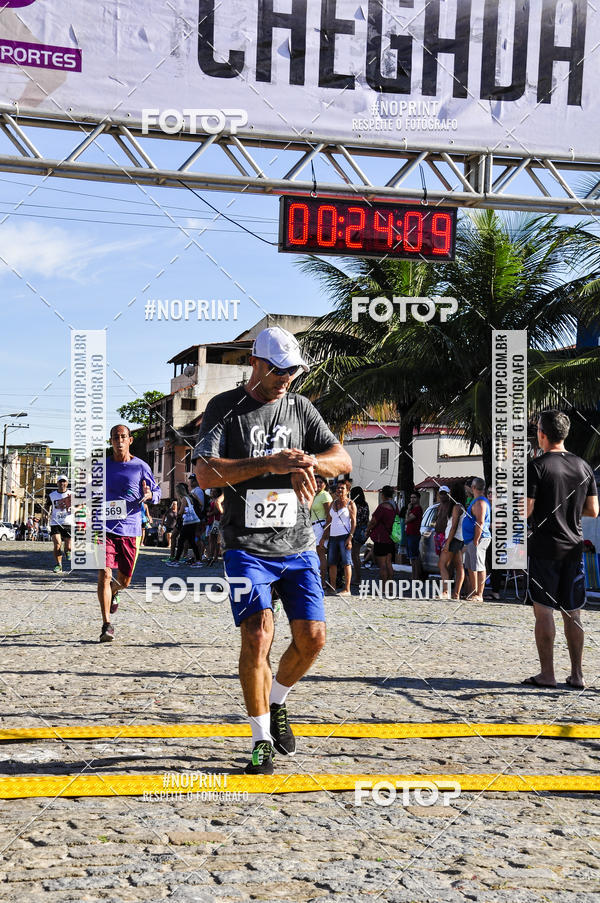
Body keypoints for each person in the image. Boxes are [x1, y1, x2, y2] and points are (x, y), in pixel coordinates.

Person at [192, 325, 351, 775]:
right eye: (278, 370)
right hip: (246, 545)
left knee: (312, 639)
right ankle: (261, 738)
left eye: (293, 371)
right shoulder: (225, 409)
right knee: (258, 635)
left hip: (298, 543)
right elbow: (205, 474)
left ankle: (278, 698)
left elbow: (343, 460)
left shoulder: (301, 407)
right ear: (255, 365)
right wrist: (270, 462)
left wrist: (308, 461)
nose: (286, 379)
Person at [524, 410, 598, 689]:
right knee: (574, 612)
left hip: (545, 547)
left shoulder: (538, 466)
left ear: (542, 433)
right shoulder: (583, 466)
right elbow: (593, 510)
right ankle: (577, 674)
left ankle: (548, 674)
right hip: (574, 548)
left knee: (544, 612)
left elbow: (526, 510)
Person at [98, 424, 160, 642]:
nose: (119, 440)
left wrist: (150, 494)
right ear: (111, 440)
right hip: (105, 527)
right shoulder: (101, 466)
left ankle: (116, 590)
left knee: (125, 580)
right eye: (115, 437)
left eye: (123, 436)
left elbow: (157, 492)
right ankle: (106, 624)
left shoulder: (141, 466)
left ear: (130, 440)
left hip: (130, 528)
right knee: (104, 574)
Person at [320, 480, 356, 596]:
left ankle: (347, 588)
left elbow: (354, 522)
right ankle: (332, 587)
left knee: (346, 563)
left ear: (348, 490)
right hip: (333, 537)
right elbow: (328, 521)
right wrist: (323, 537)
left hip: (344, 536)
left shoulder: (350, 504)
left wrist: (350, 538)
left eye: (342, 488)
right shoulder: (333, 503)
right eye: (338, 488)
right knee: (332, 563)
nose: (339, 490)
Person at [462, 477, 491, 603]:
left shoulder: (480, 502)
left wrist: (476, 539)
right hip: (471, 539)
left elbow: (480, 522)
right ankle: (473, 592)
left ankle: (479, 594)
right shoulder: (476, 501)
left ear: (473, 488)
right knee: (471, 566)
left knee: (478, 566)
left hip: (478, 539)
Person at [367, 486, 399, 582]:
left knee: (382, 565)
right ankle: (390, 588)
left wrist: (367, 530)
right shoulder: (395, 506)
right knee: (389, 563)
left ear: (383, 495)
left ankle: (384, 587)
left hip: (381, 538)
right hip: (391, 538)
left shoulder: (382, 507)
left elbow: (373, 521)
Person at [439, 487, 465, 600]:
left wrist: (447, 543)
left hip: (453, 539)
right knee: (459, 567)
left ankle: (445, 591)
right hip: (458, 538)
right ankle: (456, 593)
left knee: (442, 564)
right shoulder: (460, 506)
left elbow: (453, 526)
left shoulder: (456, 507)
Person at [166, 482, 202, 566]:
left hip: (188, 522)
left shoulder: (184, 499)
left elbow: (181, 512)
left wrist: (179, 513)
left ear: (179, 491)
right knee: (192, 541)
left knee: (181, 540)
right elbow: (200, 504)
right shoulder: (190, 497)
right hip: (194, 521)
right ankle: (198, 560)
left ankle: (176, 560)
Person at [47, 475, 72, 573]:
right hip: (55, 522)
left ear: (67, 483)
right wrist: (45, 515)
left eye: (64, 482)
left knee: (68, 546)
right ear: (57, 483)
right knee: (57, 544)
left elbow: (81, 505)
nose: (62, 484)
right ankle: (58, 565)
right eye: (60, 482)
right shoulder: (52, 495)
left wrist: (76, 509)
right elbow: (47, 505)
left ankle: (68, 551)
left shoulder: (71, 494)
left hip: (68, 522)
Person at [310, 474, 332, 584]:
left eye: (320, 482)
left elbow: (329, 515)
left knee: (321, 553)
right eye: (316, 482)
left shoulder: (325, 495)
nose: (318, 484)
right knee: (314, 554)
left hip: (320, 525)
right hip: (312, 526)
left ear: (325, 484)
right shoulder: (314, 495)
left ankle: (323, 581)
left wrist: (325, 533)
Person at [350, 485, 370, 585]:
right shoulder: (365, 504)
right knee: (356, 554)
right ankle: (357, 577)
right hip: (364, 531)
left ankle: (357, 577)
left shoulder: (355, 505)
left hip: (357, 530)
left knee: (355, 555)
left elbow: (354, 521)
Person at [404, 490, 423, 580]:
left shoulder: (417, 509)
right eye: (411, 497)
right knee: (412, 557)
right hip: (409, 534)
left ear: (418, 498)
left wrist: (408, 510)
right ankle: (413, 575)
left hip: (414, 535)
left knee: (414, 557)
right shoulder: (413, 509)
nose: (412, 499)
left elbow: (407, 520)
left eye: (414, 497)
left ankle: (416, 576)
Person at [204, 487, 224, 566]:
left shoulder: (217, 500)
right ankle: (213, 556)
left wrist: (209, 514)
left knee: (213, 540)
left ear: (217, 493)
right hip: (213, 521)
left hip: (215, 521)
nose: (212, 492)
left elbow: (216, 511)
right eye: (211, 491)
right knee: (214, 540)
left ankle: (212, 556)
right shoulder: (212, 500)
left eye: (213, 491)